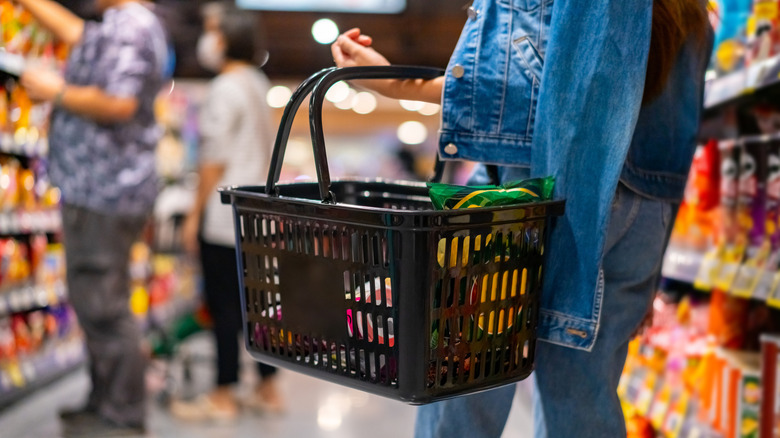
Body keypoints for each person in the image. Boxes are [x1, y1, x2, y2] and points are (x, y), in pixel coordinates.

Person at [332, 0, 712, 436]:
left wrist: (402, 84)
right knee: (583, 398)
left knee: (464, 382)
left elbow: (530, 86)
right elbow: (679, 128)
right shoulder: (693, 9)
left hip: (525, 195)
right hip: (641, 212)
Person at [15, 0, 169, 436]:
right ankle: (104, 403)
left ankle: (121, 415)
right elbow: (75, 32)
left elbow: (119, 103)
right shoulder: (123, 23)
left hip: (105, 190)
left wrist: (55, 91)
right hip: (104, 189)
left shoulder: (132, 26)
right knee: (97, 302)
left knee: (103, 305)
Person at [172, 3, 284, 421]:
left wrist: (193, 214)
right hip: (257, 215)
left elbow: (214, 159)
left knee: (223, 308)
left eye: (214, 30)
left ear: (229, 36)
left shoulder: (225, 87)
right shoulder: (258, 82)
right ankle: (269, 387)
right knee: (256, 304)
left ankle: (222, 393)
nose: (208, 39)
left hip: (224, 216)